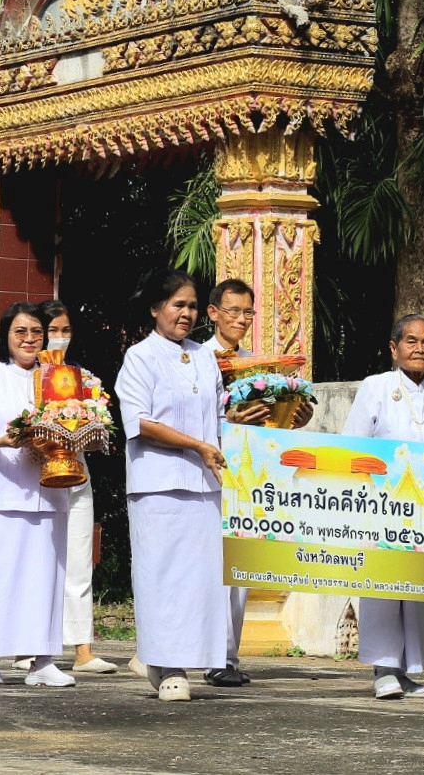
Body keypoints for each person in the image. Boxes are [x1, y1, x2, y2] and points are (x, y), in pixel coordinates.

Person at [114, 270, 228, 702]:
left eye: (193, 306)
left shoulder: (205, 357)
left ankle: (169, 661)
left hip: (205, 485)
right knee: (161, 577)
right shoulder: (139, 356)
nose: (186, 313)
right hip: (157, 483)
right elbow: (139, 422)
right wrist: (197, 445)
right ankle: (169, 668)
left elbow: (220, 417)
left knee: (199, 580)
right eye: (178, 304)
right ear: (155, 308)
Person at [342, 314, 424, 700]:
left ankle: (409, 670)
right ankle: (383, 668)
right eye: (411, 341)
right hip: (382, 505)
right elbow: (353, 447)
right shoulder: (375, 387)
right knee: (383, 585)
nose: (419, 349)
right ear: (394, 348)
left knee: (418, 590)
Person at [202, 278, 313, 686]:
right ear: (213, 313)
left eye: (248, 312)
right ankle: (201, 652)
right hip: (206, 469)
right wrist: (225, 422)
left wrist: (296, 417)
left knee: (241, 566)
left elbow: (274, 424)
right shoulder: (196, 361)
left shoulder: (262, 368)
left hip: (250, 473)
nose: (241, 319)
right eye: (233, 311)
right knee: (207, 565)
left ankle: (226, 657)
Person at [0, 302, 74, 687]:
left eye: (36, 332)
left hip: (49, 489)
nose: (29, 339)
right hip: (3, 489)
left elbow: (75, 422)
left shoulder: (60, 378)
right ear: (6, 336)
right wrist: (3, 440)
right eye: (20, 332)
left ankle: (42, 661)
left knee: (45, 579)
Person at [24, 299, 116, 674]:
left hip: (77, 474)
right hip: (34, 478)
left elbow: (99, 433)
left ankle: (82, 650)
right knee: (37, 563)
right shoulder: (24, 377)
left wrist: (87, 430)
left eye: (66, 330)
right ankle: (29, 646)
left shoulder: (83, 379)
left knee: (79, 562)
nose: (59, 337)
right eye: (52, 331)